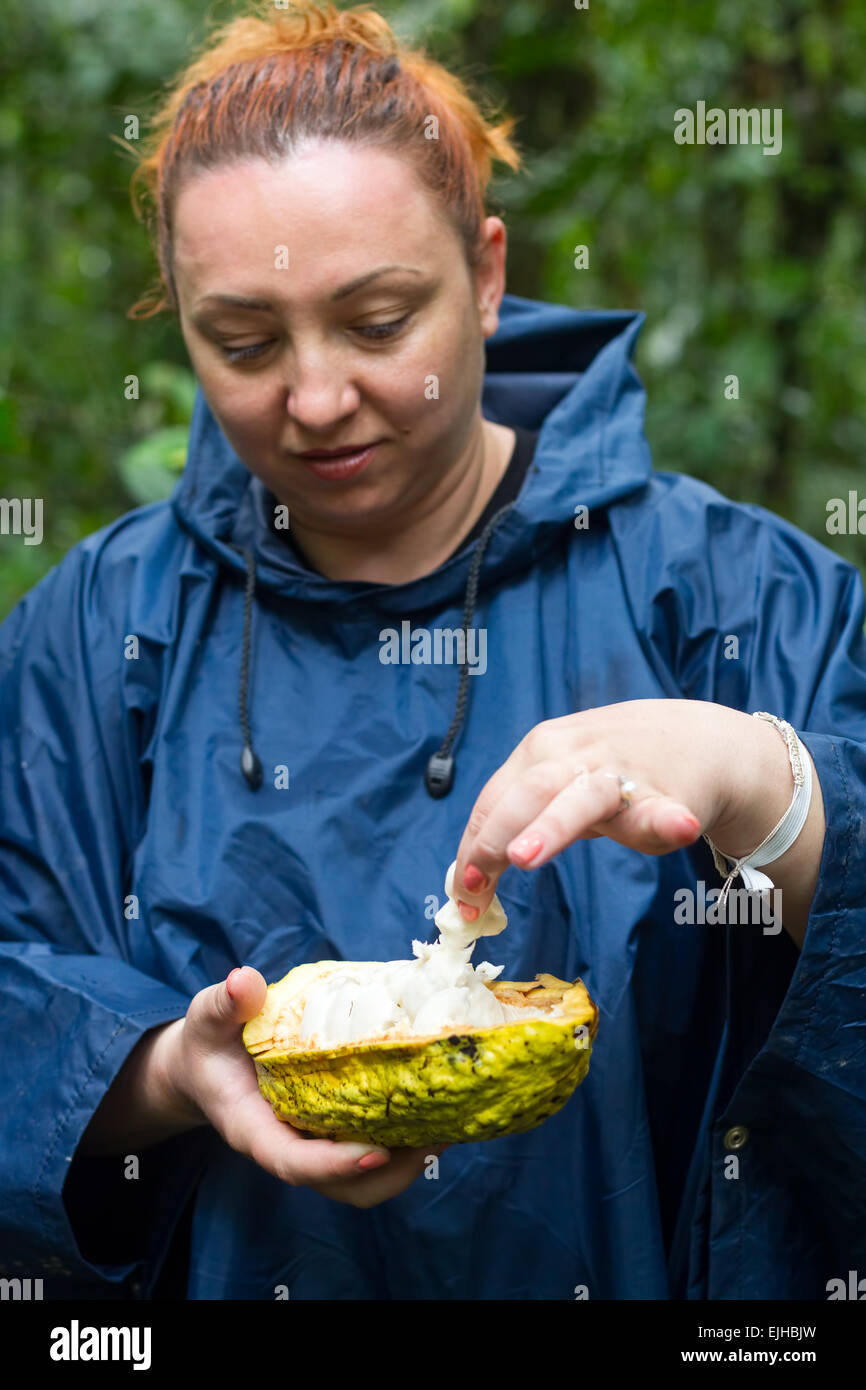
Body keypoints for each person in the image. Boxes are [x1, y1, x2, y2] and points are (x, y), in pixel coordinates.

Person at [1, 0, 864, 1302]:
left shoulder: (740, 593)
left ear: (488, 272)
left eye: (378, 319)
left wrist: (761, 782)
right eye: (239, 341)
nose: (312, 396)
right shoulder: (92, 630)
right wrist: (160, 1072)